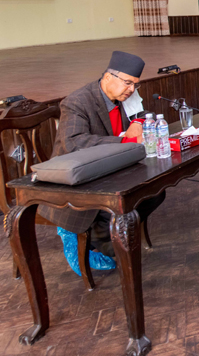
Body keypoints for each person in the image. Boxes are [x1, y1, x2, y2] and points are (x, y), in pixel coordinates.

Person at [39, 51, 166, 276]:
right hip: (76, 177)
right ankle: (80, 235)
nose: (131, 90)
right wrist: (124, 140)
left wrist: (138, 122)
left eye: (135, 85)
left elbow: (142, 115)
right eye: (128, 83)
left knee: (154, 192)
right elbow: (74, 142)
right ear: (108, 77)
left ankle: (104, 238)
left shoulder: (127, 96)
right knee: (121, 204)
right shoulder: (77, 102)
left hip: (110, 167)